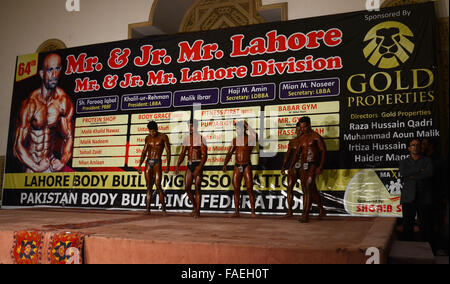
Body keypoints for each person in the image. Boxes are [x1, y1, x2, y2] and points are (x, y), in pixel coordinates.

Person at [13, 53, 74, 173]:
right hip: (31, 163)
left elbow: (69, 137)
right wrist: (35, 167)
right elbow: (17, 145)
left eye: (57, 69)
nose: (54, 74)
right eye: (50, 70)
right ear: (42, 74)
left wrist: (62, 161)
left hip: (49, 164)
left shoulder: (63, 101)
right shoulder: (30, 103)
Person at [290, 116, 326, 223]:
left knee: (308, 187)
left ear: (309, 126)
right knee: (308, 188)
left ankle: (305, 214)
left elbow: (323, 151)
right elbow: (297, 153)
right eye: (301, 128)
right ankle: (321, 209)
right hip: (303, 165)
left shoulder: (316, 137)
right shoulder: (301, 138)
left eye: (304, 127)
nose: (302, 129)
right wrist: (291, 166)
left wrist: (320, 166)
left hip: (312, 164)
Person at [398, 139, 434, 243]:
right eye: (413, 145)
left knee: (425, 225)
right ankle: (407, 248)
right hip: (408, 198)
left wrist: (412, 175)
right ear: (409, 148)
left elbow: (429, 173)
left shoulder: (427, 160)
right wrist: (419, 170)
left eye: (417, 145)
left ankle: (426, 250)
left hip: (424, 197)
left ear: (420, 148)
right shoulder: (403, 161)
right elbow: (404, 173)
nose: (415, 147)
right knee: (407, 225)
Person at [223, 120, 257, 217]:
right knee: (236, 189)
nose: (237, 130)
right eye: (236, 128)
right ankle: (237, 212)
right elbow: (229, 153)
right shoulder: (235, 140)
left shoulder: (249, 138)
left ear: (243, 128)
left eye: (238, 128)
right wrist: (225, 164)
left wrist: (248, 125)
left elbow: (256, 136)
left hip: (246, 165)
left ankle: (253, 212)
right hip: (237, 166)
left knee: (250, 188)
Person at [176, 119, 208, 218]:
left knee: (198, 188)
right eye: (189, 126)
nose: (190, 128)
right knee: (187, 188)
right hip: (189, 165)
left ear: (196, 126)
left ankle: (198, 211)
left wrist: (199, 167)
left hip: (198, 163)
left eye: (192, 126)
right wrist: (178, 165)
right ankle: (195, 207)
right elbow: (182, 153)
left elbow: (205, 155)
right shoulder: (186, 139)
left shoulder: (201, 138)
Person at [138, 120, 171, 215]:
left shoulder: (163, 137)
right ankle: (148, 209)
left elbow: (168, 152)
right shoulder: (147, 138)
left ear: (157, 129)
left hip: (157, 163)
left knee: (158, 185)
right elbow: (144, 152)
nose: (151, 133)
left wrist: (168, 166)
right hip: (148, 162)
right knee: (148, 186)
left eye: (153, 131)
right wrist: (140, 165)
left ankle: (164, 209)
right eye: (150, 131)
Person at [281, 120, 303, 217]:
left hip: (304, 167)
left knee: (309, 189)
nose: (298, 132)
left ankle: (317, 209)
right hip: (293, 167)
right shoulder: (292, 141)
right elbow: (287, 155)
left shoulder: (307, 140)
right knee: (289, 188)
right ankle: (289, 211)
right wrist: (283, 167)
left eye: (300, 130)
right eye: (297, 130)